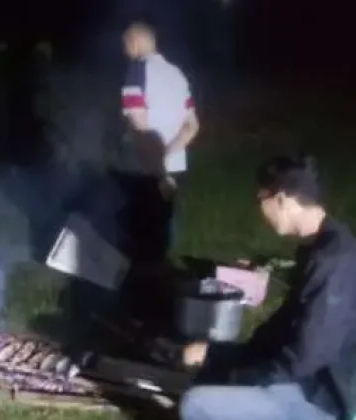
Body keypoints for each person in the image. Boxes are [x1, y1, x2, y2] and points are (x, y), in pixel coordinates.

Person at [179, 155, 356, 420]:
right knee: (212, 379)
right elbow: (282, 328)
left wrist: (241, 376)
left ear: (281, 199)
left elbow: (308, 357)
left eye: (261, 200)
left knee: (196, 403)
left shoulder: (333, 261)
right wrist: (219, 355)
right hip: (304, 381)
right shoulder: (321, 247)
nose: (260, 211)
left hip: (323, 399)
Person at [120, 21, 200, 248]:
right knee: (165, 226)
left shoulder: (136, 71)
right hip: (175, 166)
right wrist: (168, 155)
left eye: (125, 46)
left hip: (147, 169)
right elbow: (192, 126)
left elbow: (140, 126)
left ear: (134, 42)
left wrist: (159, 168)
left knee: (141, 233)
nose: (125, 52)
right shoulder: (177, 74)